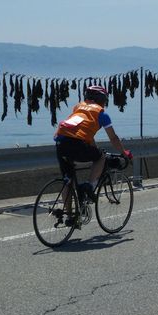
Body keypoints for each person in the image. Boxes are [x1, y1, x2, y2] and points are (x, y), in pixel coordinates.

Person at [54, 84, 131, 226]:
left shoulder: (78, 107)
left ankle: (71, 217)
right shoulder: (102, 114)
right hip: (76, 144)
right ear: (102, 99)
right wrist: (124, 152)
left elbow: (85, 133)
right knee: (101, 157)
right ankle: (90, 186)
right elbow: (113, 139)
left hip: (60, 143)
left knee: (68, 180)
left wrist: (93, 148)